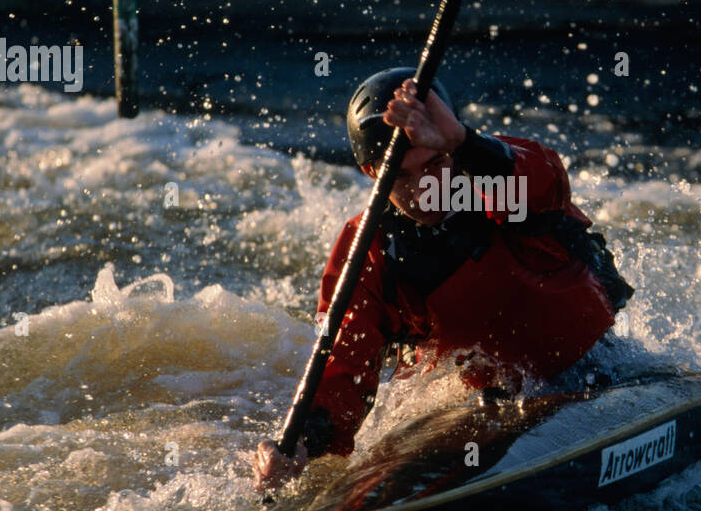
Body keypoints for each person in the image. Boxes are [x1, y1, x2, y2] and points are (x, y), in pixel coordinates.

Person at [254, 68, 633, 489]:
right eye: (400, 175)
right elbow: (343, 366)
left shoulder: (496, 177)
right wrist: (303, 442)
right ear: (369, 172)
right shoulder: (369, 249)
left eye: (435, 165)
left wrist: (463, 143)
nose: (423, 188)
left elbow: (546, 183)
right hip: (488, 402)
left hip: (598, 372)